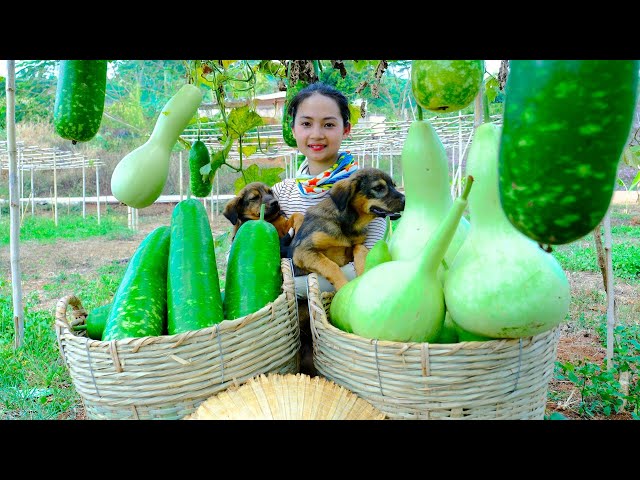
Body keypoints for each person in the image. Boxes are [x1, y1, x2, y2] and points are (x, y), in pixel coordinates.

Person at [271, 82, 387, 375]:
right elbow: (264, 258)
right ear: (293, 129)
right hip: (289, 329)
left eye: (329, 124)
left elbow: (371, 261)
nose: (317, 134)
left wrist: (298, 284)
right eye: (306, 123)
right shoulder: (282, 194)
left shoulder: (368, 188)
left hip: (353, 323)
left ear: (346, 129)